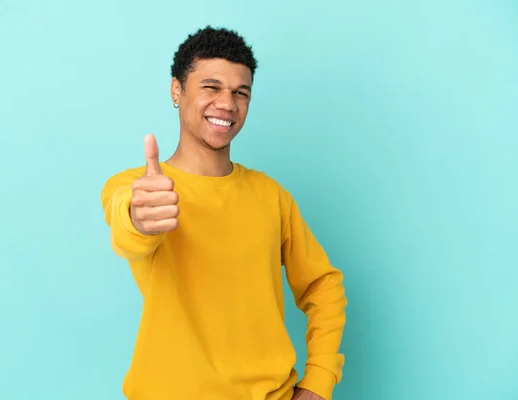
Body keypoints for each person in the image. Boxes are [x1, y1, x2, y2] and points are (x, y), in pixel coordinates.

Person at [100, 26, 347, 400]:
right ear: (176, 91)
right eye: (211, 87)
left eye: (240, 93)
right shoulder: (137, 188)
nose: (227, 104)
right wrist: (139, 218)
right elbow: (128, 226)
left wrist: (318, 381)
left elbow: (322, 285)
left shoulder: (271, 195)